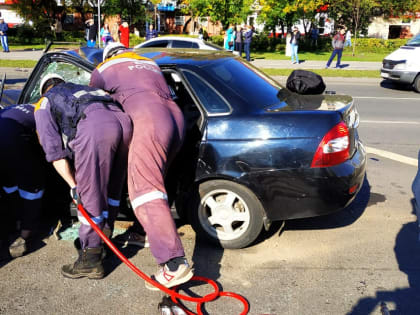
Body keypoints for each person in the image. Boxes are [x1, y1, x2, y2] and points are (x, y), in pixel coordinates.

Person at [90, 42, 193, 289]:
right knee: (159, 183)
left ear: (107, 56)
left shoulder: (104, 68)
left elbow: (91, 107)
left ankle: (173, 263)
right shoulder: (149, 63)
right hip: (175, 120)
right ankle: (142, 232)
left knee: (144, 190)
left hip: (149, 118)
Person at [34, 74, 132, 279]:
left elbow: (54, 152)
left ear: (45, 89)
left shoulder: (45, 101)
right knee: (113, 188)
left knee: (90, 194)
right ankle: (105, 238)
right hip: (124, 123)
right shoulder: (82, 89)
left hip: (96, 128)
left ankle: (91, 259)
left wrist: (73, 185)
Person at [0, 104, 47, 259]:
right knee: (33, 188)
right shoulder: (44, 111)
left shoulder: (14, 107)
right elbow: (46, 140)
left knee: (9, 185)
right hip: (12, 142)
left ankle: (13, 223)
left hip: (5, 137)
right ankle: (25, 235)